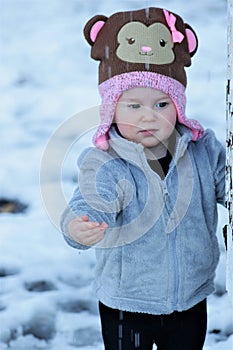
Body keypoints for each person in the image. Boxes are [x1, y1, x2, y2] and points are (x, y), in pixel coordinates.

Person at [60, 7, 225, 350]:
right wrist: (80, 225)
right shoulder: (106, 162)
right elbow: (90, 200)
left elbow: (227, 185)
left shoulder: (202, 151)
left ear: (178, 106)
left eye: (162, 104)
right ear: (112, 110)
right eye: (133, 106)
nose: (148, 116)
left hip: (191, 298)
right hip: (126, 304)